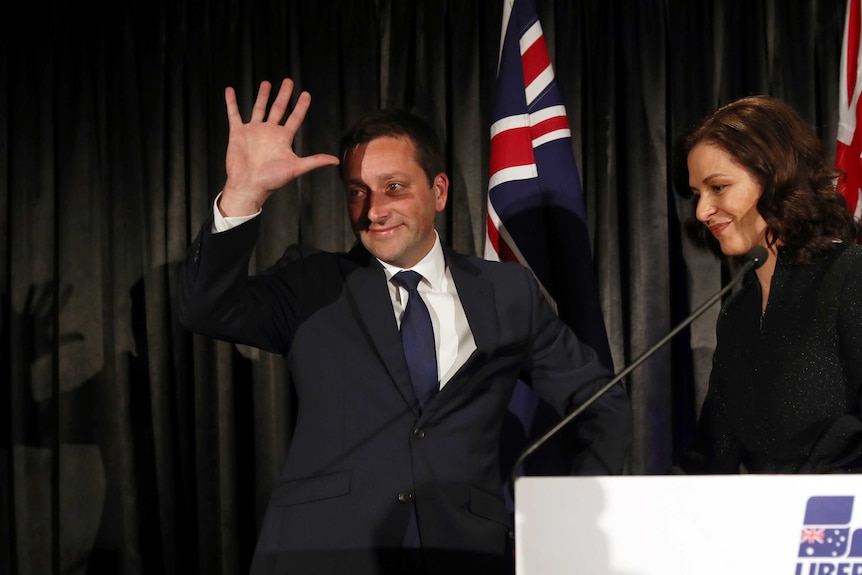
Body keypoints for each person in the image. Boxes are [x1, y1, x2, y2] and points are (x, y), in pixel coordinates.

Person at [177, 78, 633, 575]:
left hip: (463, 553)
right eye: (357, 193)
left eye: (393, 187)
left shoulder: (508, 292)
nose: (373, 210)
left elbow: (600, 402)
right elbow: (205, 308)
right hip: (324, 553)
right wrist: (243, 194)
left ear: (438, 191)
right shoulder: (311, 283)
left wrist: (574, 512)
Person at [675, 95, 862, 474]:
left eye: (718, 187)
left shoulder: (849, 275)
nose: (701, 211)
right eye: (697, 194)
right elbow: (713, 451)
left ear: (774, 177)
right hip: (766, 526)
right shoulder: (739, 315)